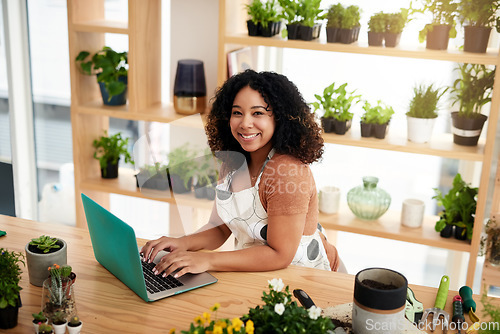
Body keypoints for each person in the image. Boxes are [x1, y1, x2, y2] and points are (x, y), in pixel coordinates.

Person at [141, 69, 346, 278]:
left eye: (258, 113)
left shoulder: (287, 172)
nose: (245, 123)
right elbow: (219, 227)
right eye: (237, 112)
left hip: (307, 278)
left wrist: (206, 260)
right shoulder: (233, 162)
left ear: (280, 118)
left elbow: (280, 255)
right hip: (258, 273)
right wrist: (180, 243)